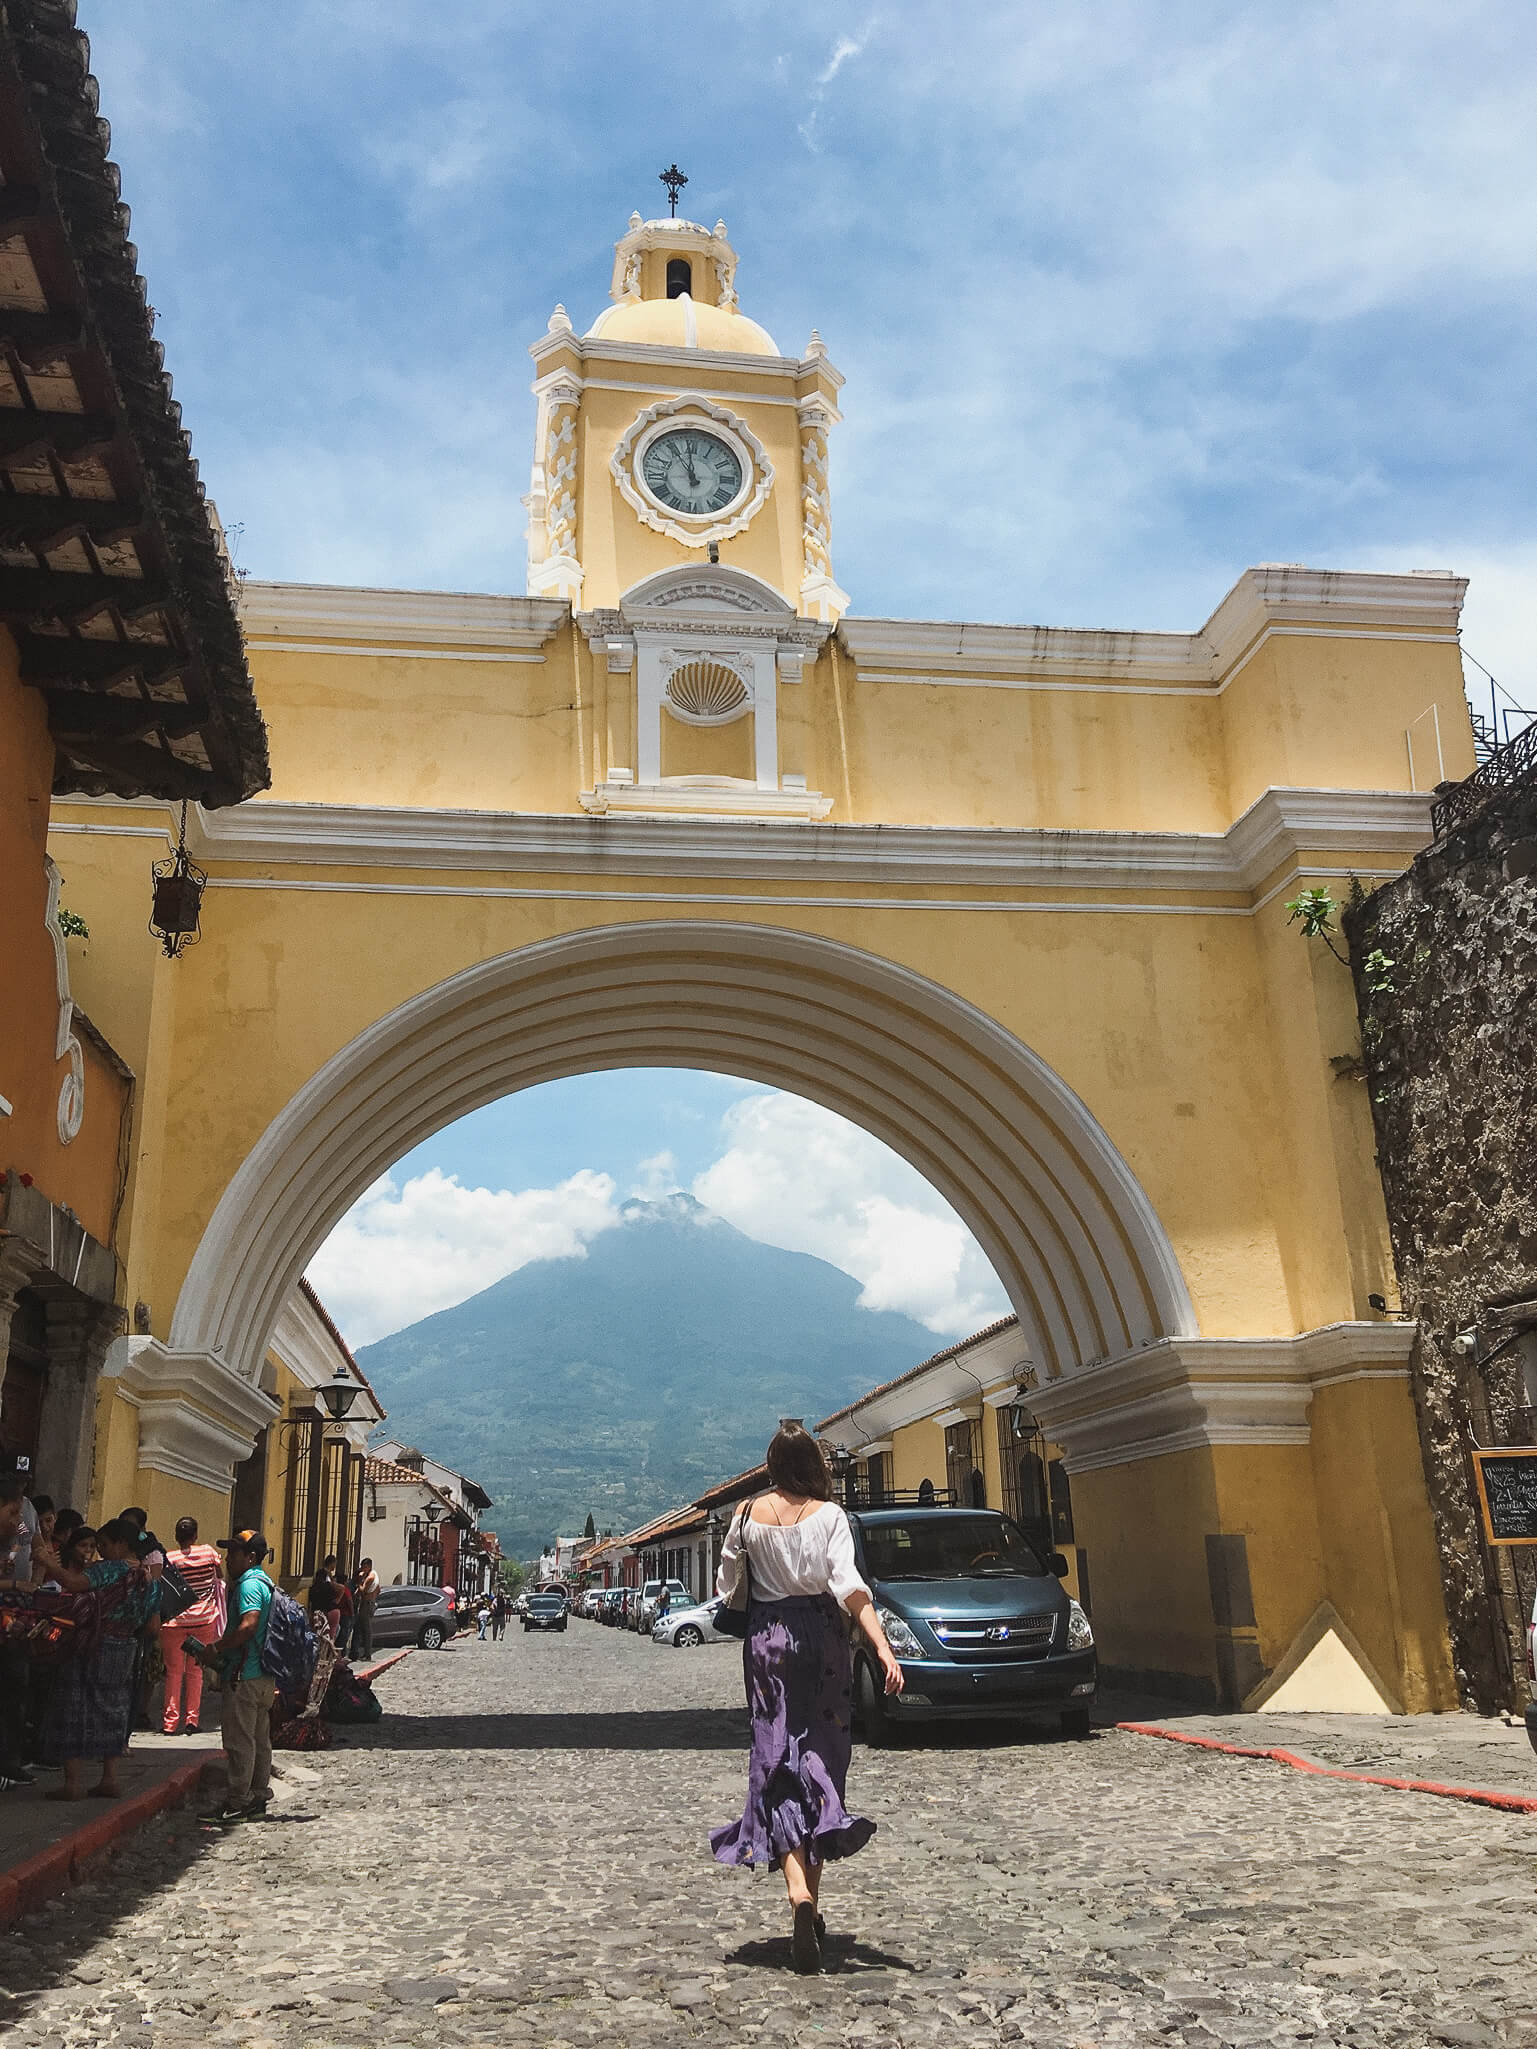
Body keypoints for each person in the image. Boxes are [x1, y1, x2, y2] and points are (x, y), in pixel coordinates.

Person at [709, 1422, 903, 1975]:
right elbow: (850, 1588)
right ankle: (809, 1900)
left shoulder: (746, 1515)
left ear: (772, 1467)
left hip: (768, 1641)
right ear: (814, 1465)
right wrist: (884, 1650)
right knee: (820, 1759)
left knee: (776, 1762)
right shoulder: (832, 1516)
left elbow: (728, 1585)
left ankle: (799, 1897)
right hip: (823, 1639)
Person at [32, 1517, 157, 1801]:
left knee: (75, 1706)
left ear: (121, 1544)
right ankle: (109, 1778)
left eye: (103, 1545)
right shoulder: (149, 1580)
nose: (98, 1552)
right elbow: (152, 1626)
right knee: (113, 1708)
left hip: (91, 1644)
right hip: (125, 1647)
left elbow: (74, 1583)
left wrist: (48, 1562)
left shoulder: (109, 1570)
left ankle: (73, 1783)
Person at [197, 1530, 276, 1822]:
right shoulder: (266, 1583)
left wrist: (216, 1648)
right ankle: (257, 1796)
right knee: (259, 1738)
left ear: (251, 1557)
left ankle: (237, 1802)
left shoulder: (248, 1586)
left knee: (239, 1741)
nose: (229, 1559)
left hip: (244, 1676)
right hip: (263, 1676)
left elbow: (248, 1625)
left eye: (235, 1553)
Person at [161, 1517, 226, 1735]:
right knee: (195, 1671)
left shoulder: (170, 1558)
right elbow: (220, 1577)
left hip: (174, 1622)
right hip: (203, 1620)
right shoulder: (208, 1553)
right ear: (195, 1535)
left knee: (173, 1673)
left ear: (176, 1536)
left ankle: (170, 1723)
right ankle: (192, 1721)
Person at [351, 1558, 379, 1663]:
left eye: (364, 1566)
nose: (362, 1569)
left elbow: (363, 1591)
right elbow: (378, 1589)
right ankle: (359, 1652)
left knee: (366, 1630)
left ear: (368, 1566)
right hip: (369, 1602)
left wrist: (359, 1582)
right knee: (361, 1628)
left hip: (366, 1604)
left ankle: (367, 1654)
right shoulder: (373, 1574)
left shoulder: (370, 1577)